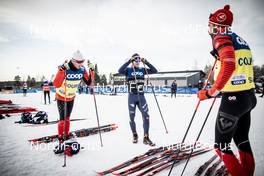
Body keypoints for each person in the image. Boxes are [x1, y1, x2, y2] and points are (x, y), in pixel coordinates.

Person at [197, 5, 256, 176]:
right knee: (241, 140)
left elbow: (229, 64)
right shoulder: (238, 38)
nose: (208, 29)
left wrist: (211, 92)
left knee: (221, 146)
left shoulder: (220, 36)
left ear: (216, 25)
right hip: (248, 98)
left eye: (209, 25)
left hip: (233, 100)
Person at [53, 50, 94, 155]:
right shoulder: (66, 68)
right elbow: (56, 84)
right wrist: (61, 70)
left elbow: (89, 83)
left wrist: (91, 70)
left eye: (82, 61)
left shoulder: (82, 69)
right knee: (62, 119)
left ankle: (66, 136)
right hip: (62, 96)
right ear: (73, 60)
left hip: (71, 97)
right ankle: (60, 138)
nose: (81, 64)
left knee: (67, 118)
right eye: (79, 62)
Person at [118, 53, 158, 146]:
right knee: (132, 117)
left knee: (146, 116)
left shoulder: (143, 70)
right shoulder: (128, 70)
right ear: (132, 60)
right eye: (136, 59)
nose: (138, 61)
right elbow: (119, 70)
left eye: (139, 59)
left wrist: (146, 62)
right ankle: (135, 134)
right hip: (132, 96)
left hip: (141, 96)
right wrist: (128, 61)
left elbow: (154, 70)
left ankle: (146, 137)